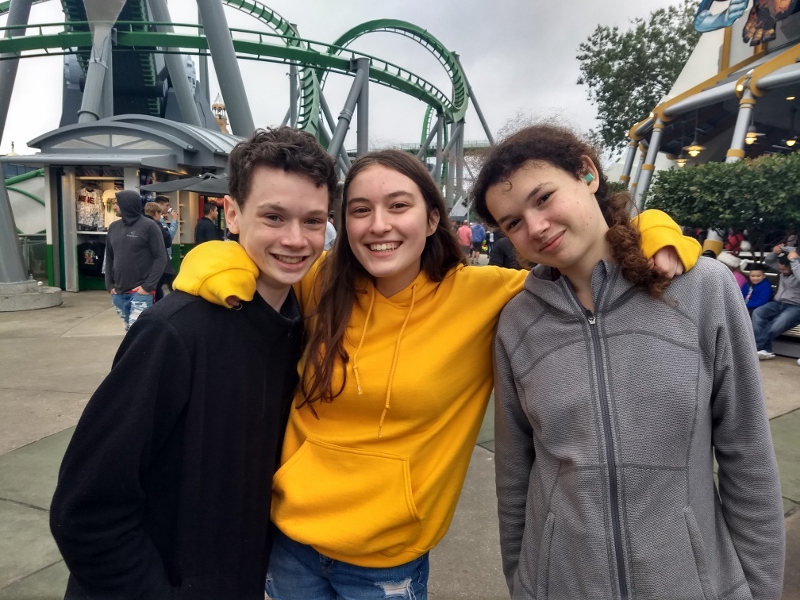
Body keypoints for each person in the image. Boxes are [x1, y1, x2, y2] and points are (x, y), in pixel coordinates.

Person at [174, 144, 698, 598]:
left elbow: (591, 254)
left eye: (398, 206)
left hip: (385, 559)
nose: (378, 225)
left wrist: (652, 229)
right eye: (360, 210)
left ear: (431, 220)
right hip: (289, 540)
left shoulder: (486, 295)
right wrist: (212, 263)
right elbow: (244, 262)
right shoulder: (320, 281)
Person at [473, 124, 784, 599]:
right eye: (512, 222)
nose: (534, 226)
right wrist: (524, 585)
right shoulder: (517, 323)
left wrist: (759, 590)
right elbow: (515, 475)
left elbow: (748, 456)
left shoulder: (702, 290)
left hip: (689, 583)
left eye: (543, 198)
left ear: (588, 174)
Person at [50, 127, 337, 600]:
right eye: (274, 216)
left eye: (312, 221)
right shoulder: (175, 332)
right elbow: (86, 508)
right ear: (233, 214)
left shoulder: (297, 330)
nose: (295, 239)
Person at [104, 190, 167, 331]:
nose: (114, 207)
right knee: (129, 335)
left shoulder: (149, 226)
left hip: (140, 294)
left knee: (138, 335)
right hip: (118, 294)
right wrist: (109, 285)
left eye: (116, 204)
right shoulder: (114, 228)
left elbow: (161, 258)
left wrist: (147, 286)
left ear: (126, 205)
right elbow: (109, 257)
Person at [752, 245, 800, 360]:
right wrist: (776, 251)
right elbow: (768, 261)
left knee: (778, 323)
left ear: (792, 267)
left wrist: (794, 260)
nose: (781, 271)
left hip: (795, 307)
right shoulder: (783, 268)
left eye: (784, 269)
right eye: (780, 269)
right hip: (778, 303)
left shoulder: (797, 270)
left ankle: (757, 348)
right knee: (758, 312)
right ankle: (765, 349)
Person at [144, 202, 175, 302]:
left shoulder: (140, 224)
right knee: (169, 286)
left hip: (145, 264)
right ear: (156, 213)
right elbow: (167, 240)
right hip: (160, 262)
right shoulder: (155, 224)